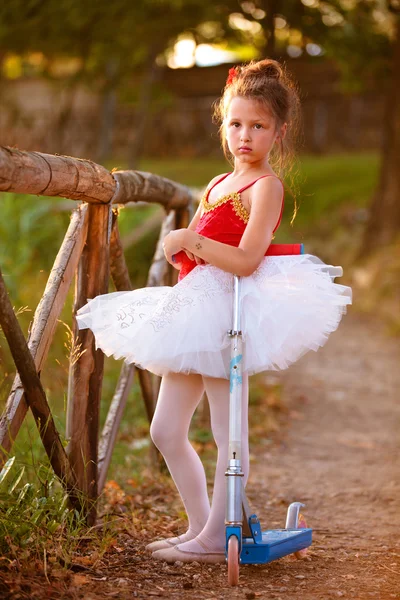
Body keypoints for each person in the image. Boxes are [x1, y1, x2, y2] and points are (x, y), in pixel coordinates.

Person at [76, 58, 352, 564]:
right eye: (236, 124)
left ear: (279, 132)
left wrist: (192, 239)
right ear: (223, 125)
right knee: (165, 430)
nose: (245, 135)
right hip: (192, 310)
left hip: (228, 314)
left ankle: (215, 535)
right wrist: (181, 248)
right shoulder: (216, 182)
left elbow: (246, 260)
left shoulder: (265, 187)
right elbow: (197, 253)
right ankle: (201, 525)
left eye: (259, 126)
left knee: (228, 432)